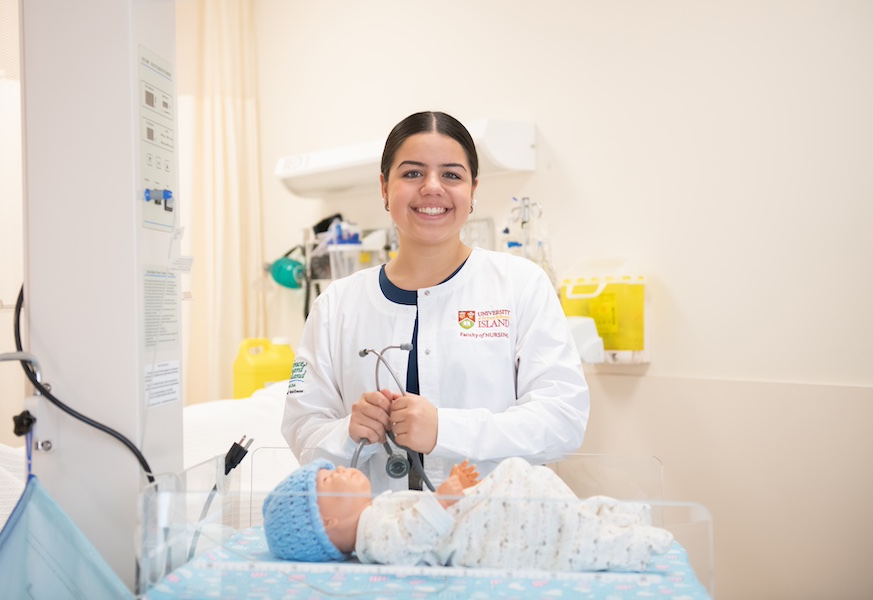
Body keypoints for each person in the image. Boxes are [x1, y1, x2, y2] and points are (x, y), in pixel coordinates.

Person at [283, 110, 590, 492]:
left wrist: (445, 429)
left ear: (472, 190)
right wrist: (348, 430)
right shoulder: (335, 305)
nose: (432, 187)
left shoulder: (520, 285)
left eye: (451, 174)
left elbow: (562, 419)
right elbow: (300, 429)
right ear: (384, 187)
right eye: (412, 173)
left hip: (488, 529)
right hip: (370, 532)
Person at [261, 457, 673, 572]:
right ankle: (626, 541)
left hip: (472, 516)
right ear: (326, 523)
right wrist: (442, 500)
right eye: (330, 482)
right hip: (481, 536)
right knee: (553, 526)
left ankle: (610, 520)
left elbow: (416, 518)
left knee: (527, 484)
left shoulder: (374, 513)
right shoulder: (373, 543)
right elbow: (409, 540)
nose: (341, 470)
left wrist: (451, 491)